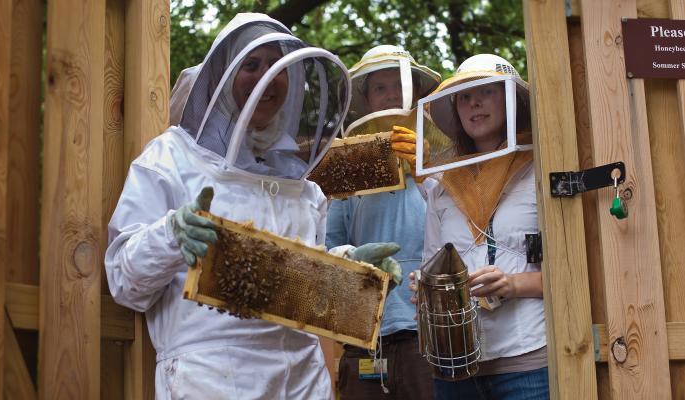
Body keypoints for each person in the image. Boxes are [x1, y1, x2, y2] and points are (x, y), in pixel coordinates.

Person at [105, 13, 400, 399]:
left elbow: (300, 278)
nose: (267, 77)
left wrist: (352, 271)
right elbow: (125, 284)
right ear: (224, 77)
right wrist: (171, 235)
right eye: (252, 64)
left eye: (277, 66)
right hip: (210, 378)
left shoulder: (304, 188)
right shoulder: (172, 157)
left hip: (304, 379)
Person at [410, 53, 548, 400]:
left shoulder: (541, 173)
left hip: (527, 360)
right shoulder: (443, 187)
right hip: (454, 368)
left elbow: (574, 274)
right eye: (464, 97)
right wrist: (426, 287)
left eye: (486, 91)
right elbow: (432, 262)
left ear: (511, 99)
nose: (474, 103)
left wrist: (512, 283)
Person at [325, 45, 440, 400]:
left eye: (399, 85)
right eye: (380, 87)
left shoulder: (441, 156)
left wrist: (428, 172)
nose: (391, 94)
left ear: (416, 92)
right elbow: (330, 248)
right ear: (366, 98)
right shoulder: (348, 167)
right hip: (365, 335)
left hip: (427, 331)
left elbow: (462, 228)